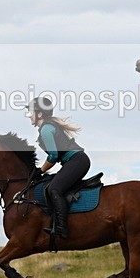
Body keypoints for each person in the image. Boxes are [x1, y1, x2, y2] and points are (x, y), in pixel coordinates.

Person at [26, 96, 90, 239]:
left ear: (40, 114)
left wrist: (40, 170)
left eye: (31, 112)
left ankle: (62, 229)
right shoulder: (47, 127)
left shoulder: (46, 129)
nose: (29, 115)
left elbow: (53, 156)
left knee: (54, 189)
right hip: (76, 161)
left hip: (77, 161)